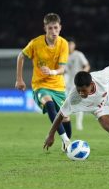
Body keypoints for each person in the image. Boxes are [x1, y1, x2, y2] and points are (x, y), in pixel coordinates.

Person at [15, 13, 72, 151]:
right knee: (49, 103)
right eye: (50, 28)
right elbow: (21, 56)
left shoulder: (63, 43)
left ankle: (66, 144)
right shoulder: (36, 43)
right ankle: (66, 140)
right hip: (40, 85)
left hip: (58, 86)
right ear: (45, 28)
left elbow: (62, 69)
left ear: (60, 28)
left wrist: (52, 72)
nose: (53, 31)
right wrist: (19, 79)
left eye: (56, 28)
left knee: (65, 119)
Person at [65, 38, 90, 130]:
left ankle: (79, 124)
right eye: (68, 44)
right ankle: (66, 123)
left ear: (74, 45)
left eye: (71, 44)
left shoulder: (78, 55)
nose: (70, 46)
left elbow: (87, 65)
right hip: (68, 83)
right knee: (67, 104)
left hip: (78, 84)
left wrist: (82, 75)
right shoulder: (64, 55)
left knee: (79, 103)